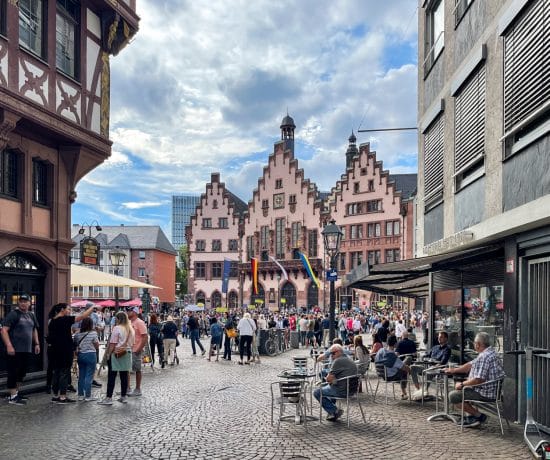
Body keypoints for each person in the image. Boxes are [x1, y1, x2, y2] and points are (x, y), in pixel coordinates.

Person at [445, 331, 505, 428]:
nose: (473, 344)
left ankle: (479, 416)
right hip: (492, 390)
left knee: (453, 396)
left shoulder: (484, 357)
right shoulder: (491, 352)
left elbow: (478, 380)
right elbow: (470, 365)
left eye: (474, 343)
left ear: (478, 344)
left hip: (485, 392)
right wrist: (453, 370)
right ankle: (472, 418)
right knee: (463, 390)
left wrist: (462, 384)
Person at [48, 302, 95, 404]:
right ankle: (63, 397)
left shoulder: (52, 321)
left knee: (56, 372)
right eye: (68, 309)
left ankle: (55, 395)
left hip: (54, 350)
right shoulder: (65, 319)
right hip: (65, 350)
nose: (69, 311)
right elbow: (82, 316)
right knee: (64, 373)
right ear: (62, 310)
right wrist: (92, 308)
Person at [1, 294, 40, 405]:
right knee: (13, 372)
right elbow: (4, 330)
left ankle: (16, 393)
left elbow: (34, 329)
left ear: (29, 303)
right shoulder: (14, 314)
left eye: (25, 301)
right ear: (19, 303)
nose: (23, 303)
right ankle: (13, 396)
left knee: (22, 373)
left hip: (26, 349)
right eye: (21, 301)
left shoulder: (31, 315)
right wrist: (9, 345)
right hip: (14, 349)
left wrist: (37, 343)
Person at [313, 344, 358, 421]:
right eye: (330, 354)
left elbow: (328, 379)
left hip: (341, 390)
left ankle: (334, 411)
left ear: (339, 352)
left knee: (317, 392)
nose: (331, 356)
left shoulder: (337, 361)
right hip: (351, 390)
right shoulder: (349, 359)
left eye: (333, 353)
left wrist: (328, 379)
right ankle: (332, 411)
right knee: (329, 386)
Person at [98, 311, 135, 405]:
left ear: (118, 319)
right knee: (124, 375)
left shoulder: (117, 328)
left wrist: (108, 354)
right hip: (127, 353)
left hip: (117, 353)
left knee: (112, 376)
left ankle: (109, 398)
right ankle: (123, 396)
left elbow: (113, 343)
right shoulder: (130, 329)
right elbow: (132, 343)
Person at [410, 331, 451, 396]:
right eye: (438, 337)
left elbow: (443, 362)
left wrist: (434, 366)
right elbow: (427, 355)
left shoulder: (447, 349)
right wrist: (422, 357)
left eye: (441, 337)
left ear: (446, 339)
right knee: (412, 367)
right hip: (427, 367)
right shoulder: (435, 347)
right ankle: (418, 388)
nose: (439, 338)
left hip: (437, 369)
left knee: (429, 370)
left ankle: (424, 390)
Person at [375, 335, 411, 400]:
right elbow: (404, 368)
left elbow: (385, 359)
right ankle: (404, 393)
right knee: (405, 371)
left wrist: (395, 355)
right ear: (395, 344)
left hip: (381, 374)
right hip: (390, 376)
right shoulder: (392, 357)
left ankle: (404, 393)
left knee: (404, 366)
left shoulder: (380, 351)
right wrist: (409, 369)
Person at [73, 317, 99, 401]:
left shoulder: (78, 334)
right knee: (89, 375)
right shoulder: (93, 334)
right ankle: (88, 396)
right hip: (91, 355)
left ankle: (80, 395)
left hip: (81, 355)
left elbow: (75, 344)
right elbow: (97, 345)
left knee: (81, 375)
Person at [126, 307, 147, 397]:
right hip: (128, 348)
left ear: (134, 312)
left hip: (135, 349)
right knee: (126, 369)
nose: (127, 312)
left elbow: (145, 337)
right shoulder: (129, 322)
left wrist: (139, 349)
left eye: (129, 311)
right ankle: (127, 388)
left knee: (137, 369)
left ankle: (138, 389)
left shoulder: (139, 322)